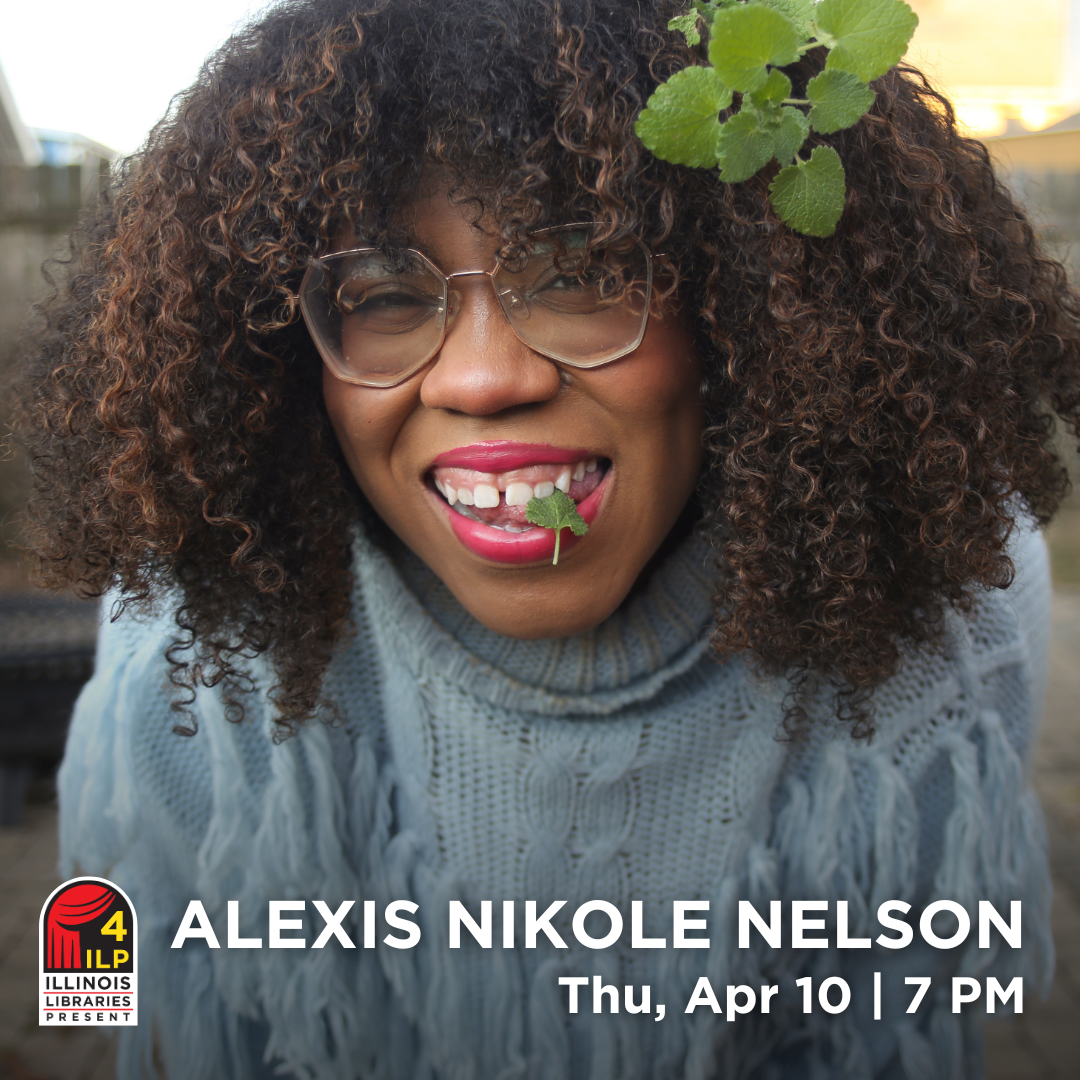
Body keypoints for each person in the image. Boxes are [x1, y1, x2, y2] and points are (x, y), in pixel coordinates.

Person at [17, 0, 1080, 1076]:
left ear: (753, 304)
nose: (482, 377)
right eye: (383, 293)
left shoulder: (941, 619)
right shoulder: (200, 654)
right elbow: (148, 1018)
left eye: (580, 270)